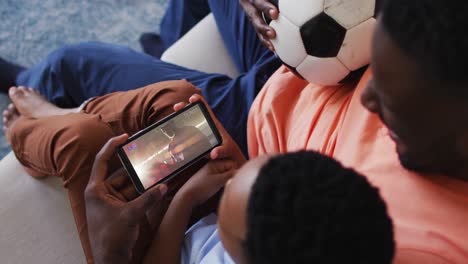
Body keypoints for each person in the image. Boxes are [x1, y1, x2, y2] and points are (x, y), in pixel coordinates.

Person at [244, 0, 468, 262]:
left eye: (388, 101)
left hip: (254, 123)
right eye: (374, 76)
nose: (366, 99)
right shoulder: (419, 51)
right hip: (287, 51)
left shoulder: (412, 244)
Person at [0, 0, 282, 156]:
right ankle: (163, 57)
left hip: (263, 115)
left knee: (70, 65)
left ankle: (26, 83)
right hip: (290, 71)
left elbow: (142, 165)